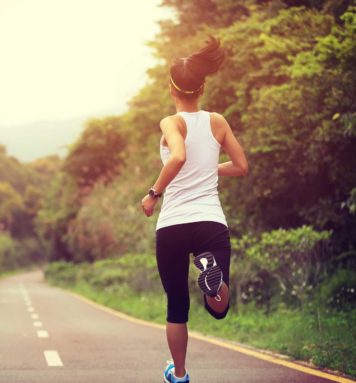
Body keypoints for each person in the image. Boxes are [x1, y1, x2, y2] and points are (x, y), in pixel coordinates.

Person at [140, 36, 248, 383]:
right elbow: (241, 165)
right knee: (218, 309)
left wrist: (153, 193)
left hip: (173, 224)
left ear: (172, 90)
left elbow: (178, 156)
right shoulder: (218, 121)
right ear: (201, 89)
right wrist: (210, 169)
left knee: (177, 307)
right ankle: (213, 283)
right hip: (210, 221)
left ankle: (181, 375)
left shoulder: (171, 123)